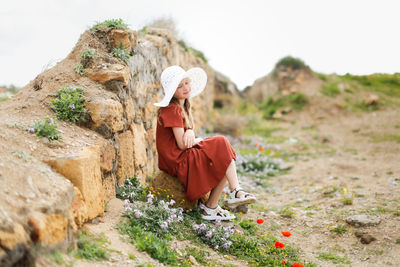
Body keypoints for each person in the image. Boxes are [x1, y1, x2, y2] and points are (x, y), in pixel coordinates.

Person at [154, 65, 256, 221]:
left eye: (186, 83)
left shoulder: (183, 107)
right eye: (179, 86)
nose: (185, 88)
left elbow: (185, 136)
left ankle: (213, 206)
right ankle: (234, 191)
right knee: (220, 143)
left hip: (182, 155)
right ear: (172, 91)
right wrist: (196, 137)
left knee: (222, 154)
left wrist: (190, 132)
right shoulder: (172, 109)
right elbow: (182, 145)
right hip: (177, 160)